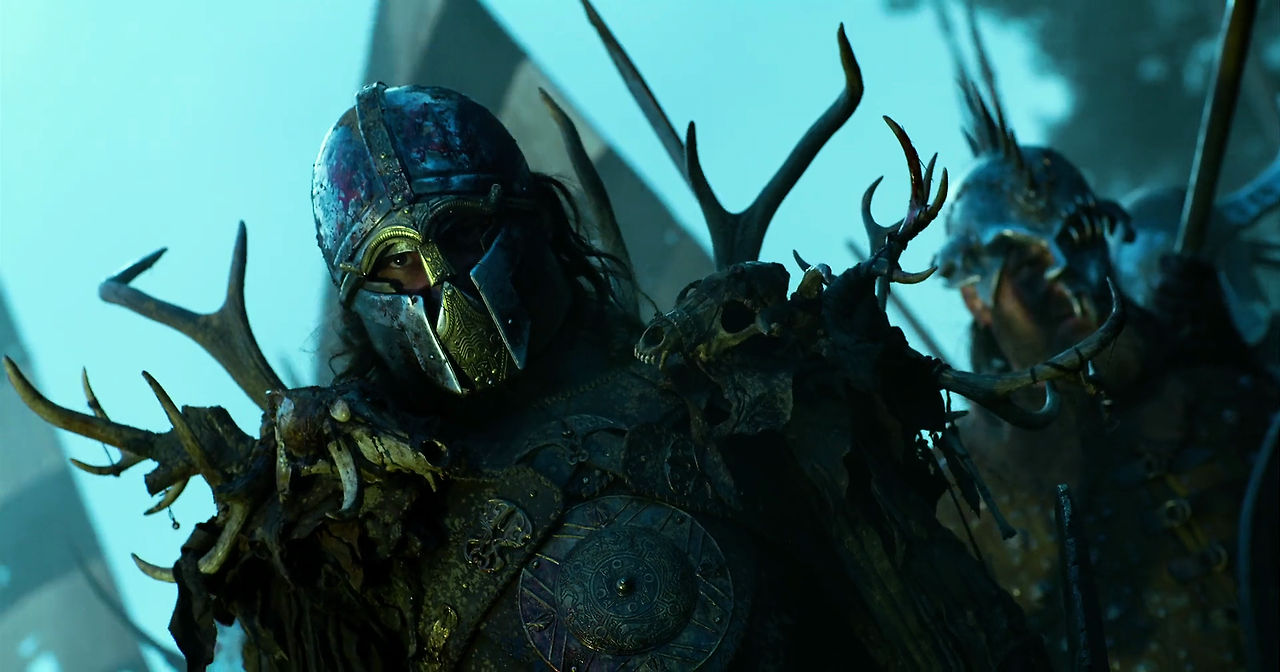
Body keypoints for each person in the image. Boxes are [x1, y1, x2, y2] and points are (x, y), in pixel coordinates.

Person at [7, 59, 1128, 667]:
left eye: (458, 236)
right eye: (391, 269)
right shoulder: (351, 541)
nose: (434, 287)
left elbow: (912, 607)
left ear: (530, 221)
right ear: (356, 305)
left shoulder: (719, 391)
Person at [930, 11, 1280, 670]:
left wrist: (1235, 366)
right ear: (977, 299)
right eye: (1026, 267)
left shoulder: (1205, 372)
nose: (1064, 283)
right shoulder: (966, 496)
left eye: (1078, 240)